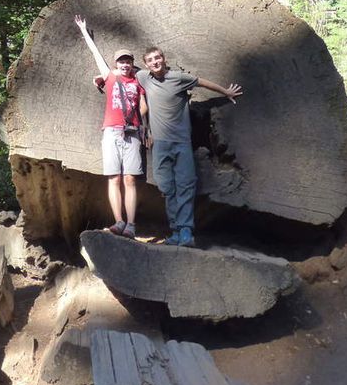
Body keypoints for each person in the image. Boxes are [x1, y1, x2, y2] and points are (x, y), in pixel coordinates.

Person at [138, 46, 242, 247]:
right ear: (146, 64)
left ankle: (185, 232)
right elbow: (122, 71)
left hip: (181, 142)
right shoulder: (144, 77)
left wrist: (225, 91)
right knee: (166, 187)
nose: (155, 62)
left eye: (158, 58)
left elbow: (201, 81)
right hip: (159, 144)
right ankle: (176, 230)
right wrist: (101, 77)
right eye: (150, 60)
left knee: (185, 185)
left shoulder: (178, 78)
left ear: (164, 58)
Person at [74, 15, 148, 239]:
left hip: (132, 133)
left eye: (128, 61)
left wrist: (138, 121)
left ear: (132, 63)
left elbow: (144, 107)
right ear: (116, 64)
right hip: (111, 131)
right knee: (114, 178)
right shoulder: (110, 77)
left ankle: (131, 225)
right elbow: (96, 56)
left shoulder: (138, 81)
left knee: (130, 179)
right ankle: (118, 221)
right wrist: (84, 31)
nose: (124, 65)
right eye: (121, 62)